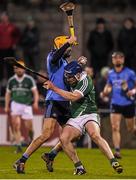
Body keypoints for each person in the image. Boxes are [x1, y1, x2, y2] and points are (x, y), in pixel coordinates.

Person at [13, 35, 84, 174]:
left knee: (74, 135)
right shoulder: (52, 57)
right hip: (54, 100)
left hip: (65, 102)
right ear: (60, 46)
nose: (69, 49)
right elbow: (56, 56)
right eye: (67, 47)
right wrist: (67, 43)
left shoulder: (64, 61)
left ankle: (50, 155)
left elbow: (70, 78)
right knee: (46, 134)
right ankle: (21, 160)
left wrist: (79, 64)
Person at [43, 61, 123, 175]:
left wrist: (54, 88)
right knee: (64, 139)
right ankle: (79, 167)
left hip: (89, 113)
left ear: (78, 75)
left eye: (71, 77)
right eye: (67, 76)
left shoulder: (86, 81)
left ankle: (114, 162)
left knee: (94, 135)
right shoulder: (72, 76)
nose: (68, 79)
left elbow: (73, 96)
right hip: (76, 116)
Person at [100, 51, 136, 159]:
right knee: (115, 127)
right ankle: (117, 151)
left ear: (123, 60)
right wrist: (106, 91)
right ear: (112, 60)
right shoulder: (110, 73)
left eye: (120, 58)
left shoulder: (130, 72)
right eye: (115, 58)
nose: (117, 60)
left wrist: (132, 91)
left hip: (128, 103)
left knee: (130, 128)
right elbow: (109, 86)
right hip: (115, 103)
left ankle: (135, 131)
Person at [5, 60, 39, 153]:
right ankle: (19, 146)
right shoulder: (11, 80)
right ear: (14, 70)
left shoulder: (29, 79)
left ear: (24, 69)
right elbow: (8, 94)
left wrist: (35, 102)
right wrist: (6, 105)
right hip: (15, 104)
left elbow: (35, 92)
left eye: (20, 68)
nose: (19, 70)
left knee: (30, 128)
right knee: (16, 126)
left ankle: (31, 141)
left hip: (26, 105)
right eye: (17, 68)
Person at [0, 12, 20, 81]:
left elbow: (17, 36)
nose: (3, 18)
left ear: (7, 17)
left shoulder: (12, 27)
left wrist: (15, 43)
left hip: (9, 48)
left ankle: (10, 77)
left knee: (10, 64)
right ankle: (2, 78)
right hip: (1, 48)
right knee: (1, 65)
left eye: (4, 16)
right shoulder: (0, 26)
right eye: (2, 17)